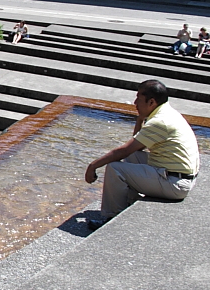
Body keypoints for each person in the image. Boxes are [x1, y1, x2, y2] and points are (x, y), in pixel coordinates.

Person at [84, 79, 200, 230]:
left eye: (138, 98)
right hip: (176, 176)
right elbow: (136, 149)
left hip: (175, 184)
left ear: (151, 102)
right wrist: (140, 119)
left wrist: (93, 166)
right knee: (131, 158)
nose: (134, 102)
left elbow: (124, 150)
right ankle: (128, 204)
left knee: (114, 167)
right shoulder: (167, 113)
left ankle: (111, 220)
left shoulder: (160, 122)